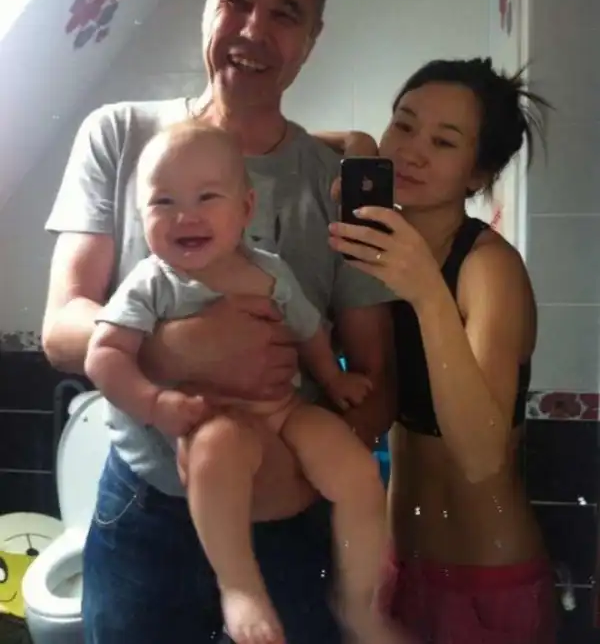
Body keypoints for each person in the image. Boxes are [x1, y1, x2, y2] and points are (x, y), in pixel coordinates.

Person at [42, 0, 395, 644]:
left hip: (290, 518)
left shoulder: (336, 182)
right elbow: (60, 326)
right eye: (238, 0)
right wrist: (175, 350)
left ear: (311, 40)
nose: (255, 29)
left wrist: (304, 472)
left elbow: (376, 373)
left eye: (286, 13)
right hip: (144, 507)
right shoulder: (119, 136)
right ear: (207, 6)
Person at [85, 121, 396, 644]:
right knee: (218, 450)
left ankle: (360, 604)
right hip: (213, 420)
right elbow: (104, 354)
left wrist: (332, 379)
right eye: (163, 202)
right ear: (141, 217)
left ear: (246, 208)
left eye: (208, 197)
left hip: (283, 410)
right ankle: (239, 587)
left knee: (357, 471)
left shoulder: (269, 270)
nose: (186, 215)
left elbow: (308, 331)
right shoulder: (152, 282)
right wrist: (154, 402)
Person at [321, 57, 557, 643]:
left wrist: (428, 292)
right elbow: (275, 137)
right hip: (399, 570)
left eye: (444, 142)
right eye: (403, 125)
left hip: (486, 583)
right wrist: (357, 144)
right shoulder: (377, 249)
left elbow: (481, 457)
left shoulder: (488, 269)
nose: (412, 151)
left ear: (478, 174)